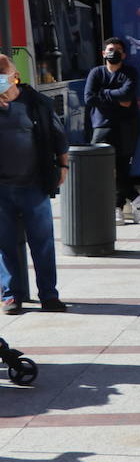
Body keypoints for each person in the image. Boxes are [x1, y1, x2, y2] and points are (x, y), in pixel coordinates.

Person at [0, 52, 68, 315]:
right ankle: (11, 295)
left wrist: (63, 165)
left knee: (42, 243)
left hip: (34, 185)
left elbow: (58, 136)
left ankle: (49, 295)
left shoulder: (37, 103)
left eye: (3, 78)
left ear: (14, 77)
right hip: (2, 190)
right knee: (4, 244)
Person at [85, 36, 140, 224]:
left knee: (121, 168)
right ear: (103, 53)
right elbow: (89, 98)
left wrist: (102, 93)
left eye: (118, 50)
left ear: (124, 54)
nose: (114, 53)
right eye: (110, 49)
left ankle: (117, 209)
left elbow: (128, 95)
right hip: (101, 126)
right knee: (103, 168)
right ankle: (137, 198)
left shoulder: (130, 72)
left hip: (126, 128)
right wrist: (118, 100)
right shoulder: (96, 73)